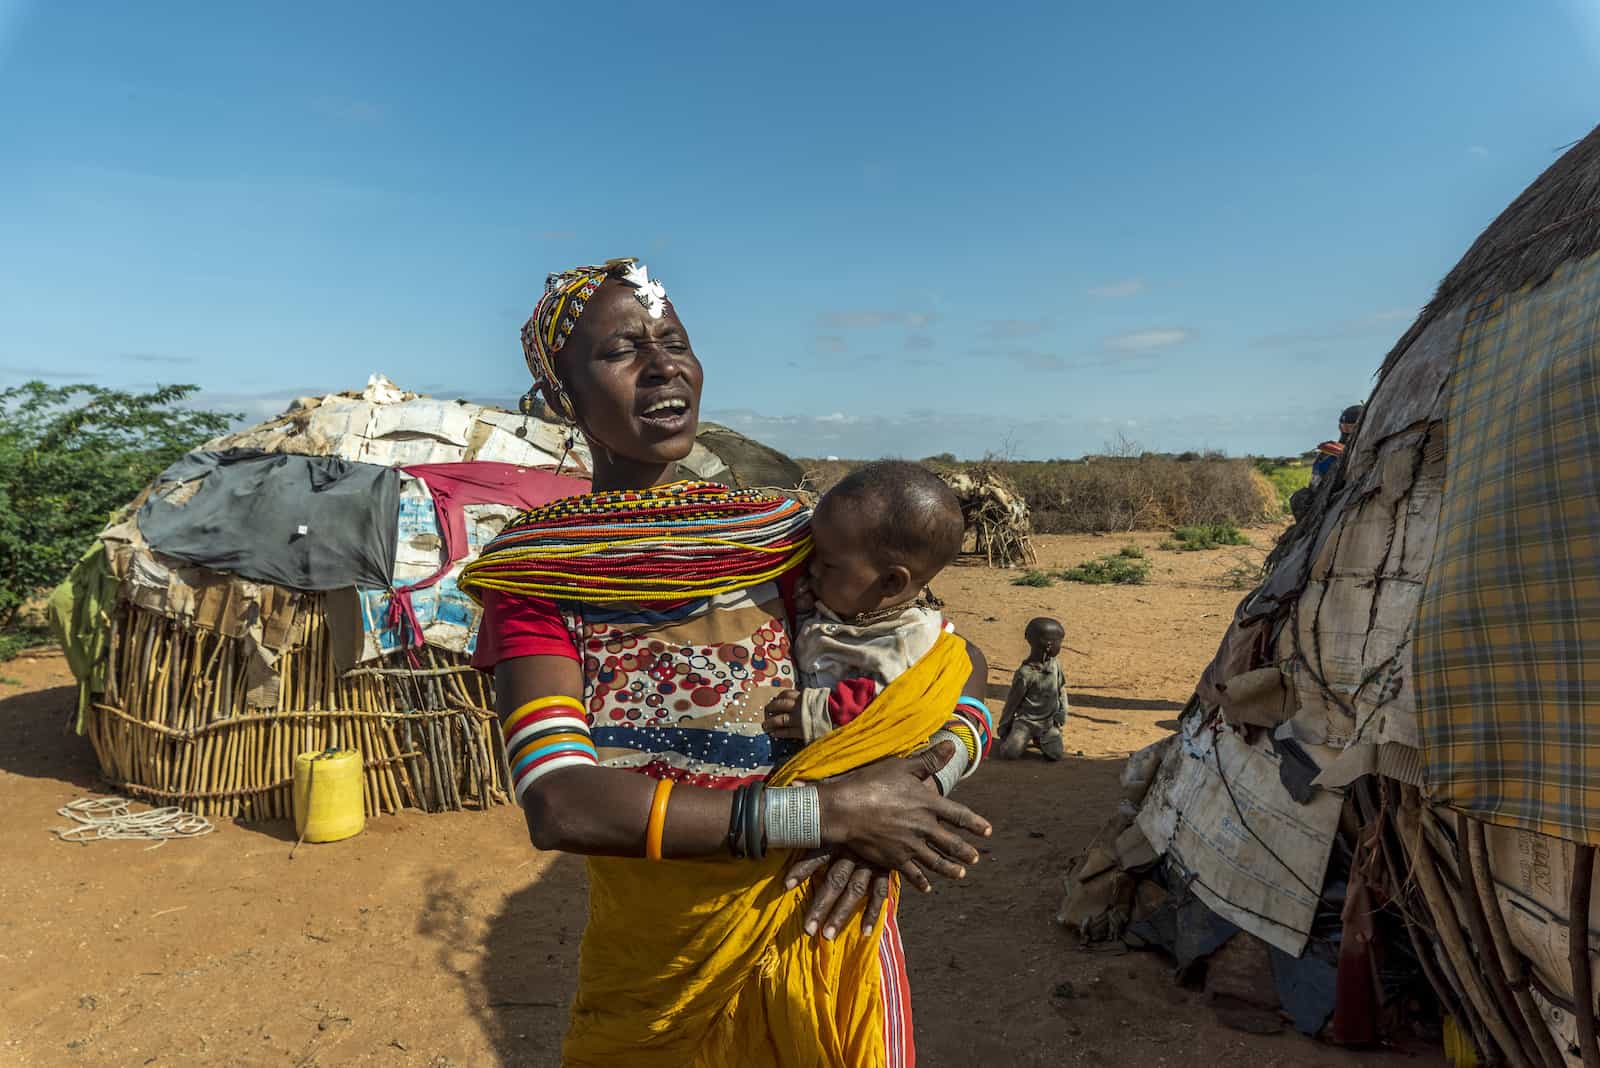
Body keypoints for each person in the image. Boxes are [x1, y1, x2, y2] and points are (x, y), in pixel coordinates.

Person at [459, 259, 992, 1068]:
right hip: (660, 957)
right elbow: (562, 803)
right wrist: (828, 816)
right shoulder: (540, 578)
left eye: (673, 341)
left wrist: (912, 792)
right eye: (622, 350)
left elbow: (954, 665)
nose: (662, 362)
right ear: (562, 397)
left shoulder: (782, 540)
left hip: (819, 928)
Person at [761, 461, 995, 796]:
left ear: (890, 581)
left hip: (862, 773)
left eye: (826, 563)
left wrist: (819, 712)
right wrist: (804, 612)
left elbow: (888, 703)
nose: (811, 569)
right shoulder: (858, 607)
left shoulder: (906, 640)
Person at [996, 617, 1068, 761]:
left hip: (1048, 723)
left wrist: (1062, 713)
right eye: (1059, 642)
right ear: (1049, 645)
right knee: (1009, 754)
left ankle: (1039, 739)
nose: (1061, 646)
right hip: (1025, 723)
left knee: (1056, 754)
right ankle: (1018, 736)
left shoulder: (1055, 665)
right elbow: (1012, 702)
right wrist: (1004, 726)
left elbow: (1061, 689)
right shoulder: (1025, 674)